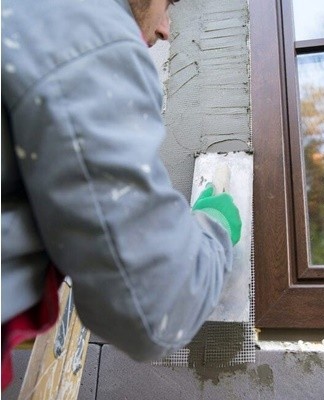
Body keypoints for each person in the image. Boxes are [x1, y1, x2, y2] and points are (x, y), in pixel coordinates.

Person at [1, 0, 242, 389]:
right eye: (167, 4)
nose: (165, 29)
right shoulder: (87, 33)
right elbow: (154, 310)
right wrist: (214, 229)